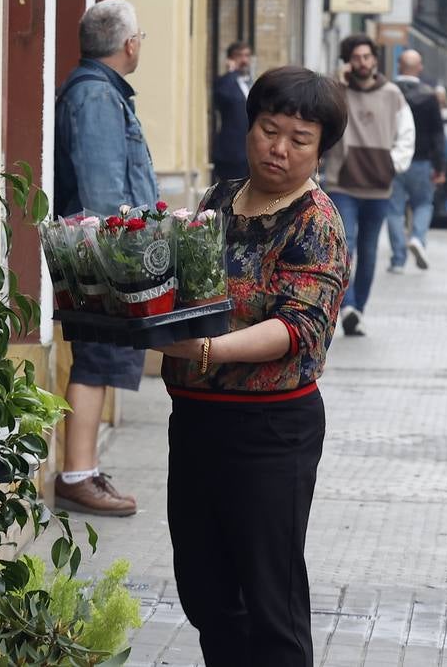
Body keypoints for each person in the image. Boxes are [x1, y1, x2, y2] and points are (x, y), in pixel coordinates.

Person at [154, 65, 349, 667]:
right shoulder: (218, 202)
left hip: (270, 431)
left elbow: (298, 327)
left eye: (299, 138)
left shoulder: (316, 223)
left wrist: (207, 350)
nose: (280, 148)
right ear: (250, 126)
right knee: (207, 590)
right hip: (195, 420)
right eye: (269, 129)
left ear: (321, 150)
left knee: (271, 598)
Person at [51, 0, 159, 517]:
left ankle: (86, 469)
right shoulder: (95, 96)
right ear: (129, 44)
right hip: (101, 248)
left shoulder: (99, 91)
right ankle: (75, 475)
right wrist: (125, 250)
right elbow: (100, 191)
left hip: (104, 244)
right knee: (95, 360)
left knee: (102, 357)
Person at [322, 35, 414, 336]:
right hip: (342, 183)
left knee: (370, 249)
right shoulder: (338, 92)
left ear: (375, 59)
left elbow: (406, 135)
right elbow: (321, 118)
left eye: (366, 57)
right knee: (344, 244)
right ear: (349, 61)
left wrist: (392, 166)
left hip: (378, 185)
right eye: (356, 58)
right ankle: (347, 305)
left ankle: (358, 310)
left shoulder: (392, 94)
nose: (362, 63)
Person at [387, 49, 445, 272]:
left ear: (399, 66)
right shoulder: (429, 96)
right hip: (422, 161)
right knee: (423, 204)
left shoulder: (388, 92)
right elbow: (438, 133)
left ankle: (398, 260)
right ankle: (418, 239)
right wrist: (439, 166)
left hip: (393, 161)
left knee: (394, 210)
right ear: (419, 68)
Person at [211, 40, 254, 182]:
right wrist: (230, 73)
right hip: (231, 152)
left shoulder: (250, 83)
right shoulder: (224, 82)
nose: (244, 60)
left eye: (247, 56)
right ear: (230, 59)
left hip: (249, 151)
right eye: (239, 56)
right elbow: (222, 97)